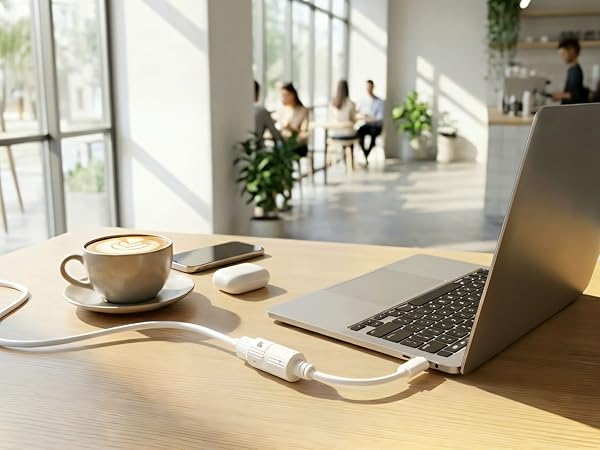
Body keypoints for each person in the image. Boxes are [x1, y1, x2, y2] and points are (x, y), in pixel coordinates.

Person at [274, 82, 309, 157]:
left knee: (280, 149)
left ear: (292, 95)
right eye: (282, 95)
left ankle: (284, 167)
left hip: (297, 144)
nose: (282, 98)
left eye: (285, 95)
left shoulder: (302, 110)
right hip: (283, 141)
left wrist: (289, 127)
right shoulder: (281, 110)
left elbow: (303, 132)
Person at [552, 38, 588, 104]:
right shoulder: (572, 70)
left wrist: (561, 95)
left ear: (572, 51)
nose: (562, 57)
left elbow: (577, 95)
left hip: (572, 111)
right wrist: (562, 94)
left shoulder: (575, 71)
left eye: (563, 54)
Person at [356, 80, 384, 159]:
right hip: (366, 125)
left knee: (373, 134)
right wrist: (363, 117)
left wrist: (369, 118)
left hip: (376, 126)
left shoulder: (379, 101)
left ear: (373, 87)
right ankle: (365, 153)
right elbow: (356, 114)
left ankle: (367, 154)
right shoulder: (362, 101)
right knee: (359, 132)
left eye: (370, 87)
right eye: (367, 87)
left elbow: (379, 118)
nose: (368, 89)